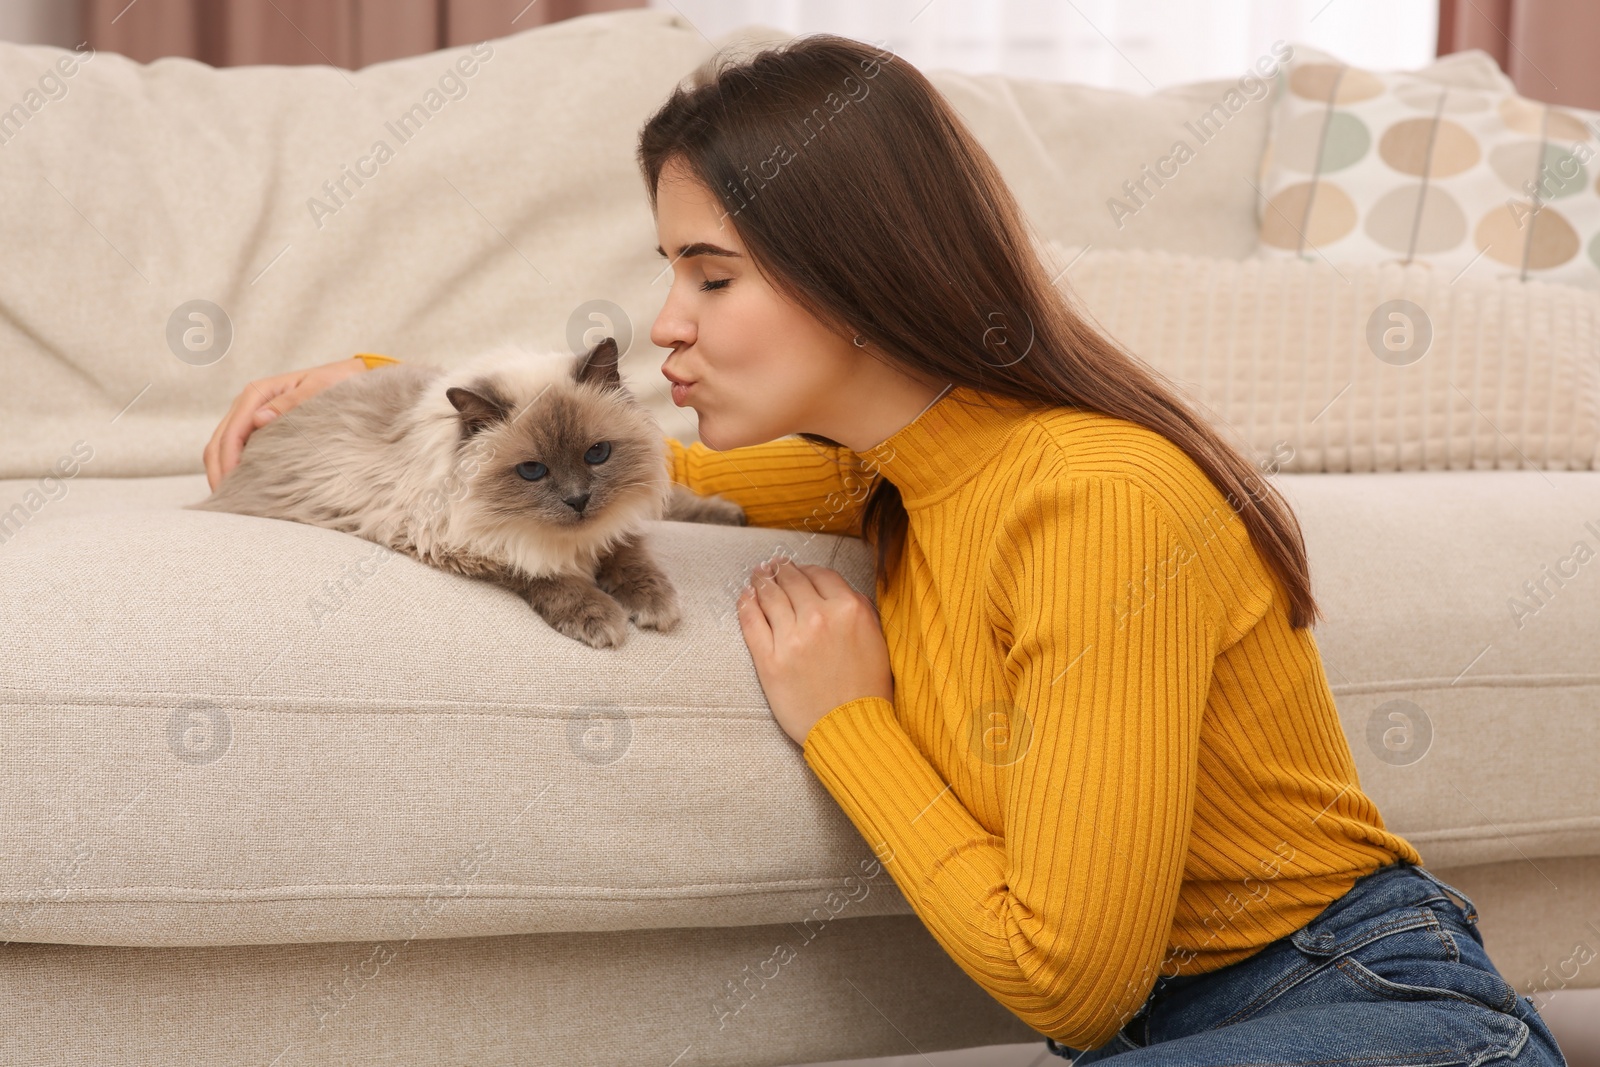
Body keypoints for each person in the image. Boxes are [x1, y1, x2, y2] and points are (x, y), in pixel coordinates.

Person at [203, 33, 1568, 1066]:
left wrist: (852, 726)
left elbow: (1071, 977)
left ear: (854, 272)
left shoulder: (1096, 495)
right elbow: (627, 460)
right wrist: (370, 383)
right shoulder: (895, 472)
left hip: (1352, 994)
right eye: (669, 270)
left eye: (712, 275)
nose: (664, 323)